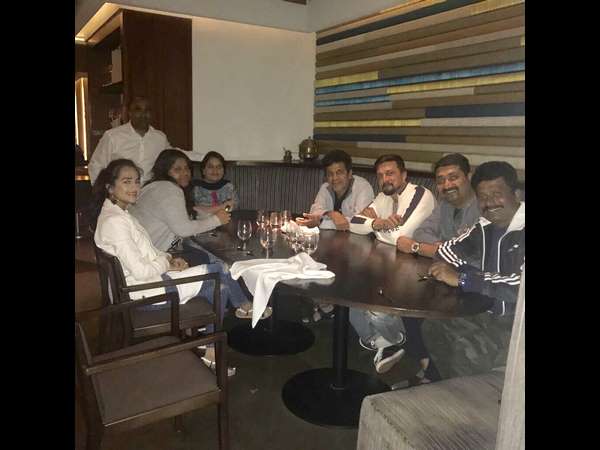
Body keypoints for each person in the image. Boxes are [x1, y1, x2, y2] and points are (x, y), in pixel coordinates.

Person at [91, 159, 252, 374]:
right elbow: (141, 271)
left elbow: (147, 250)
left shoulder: (118, 214)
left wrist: (168, 259)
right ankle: (234, 316)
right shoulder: (115, 222)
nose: (135, 187)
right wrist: (165, 263)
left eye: (137, 181)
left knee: (219, 285)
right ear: (110, 187)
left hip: (145, 285)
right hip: (143, 294)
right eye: (127, 182)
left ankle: (210, 343)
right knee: (218, 272)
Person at [390, 153, 481, 386]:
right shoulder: (444, 206)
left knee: (426, 310)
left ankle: (432, 376)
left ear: (468, 176)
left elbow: (470, 256)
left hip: (474, 283)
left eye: (453, 177)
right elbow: (421, 232)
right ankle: (427, 368)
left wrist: (423, 248)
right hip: (444, 274)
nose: (446, 185)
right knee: (405, 296)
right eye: (441, 180)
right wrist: (442, 248)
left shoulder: (483, 206)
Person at [348, 154, 436, 375]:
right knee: (351, 298)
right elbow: (353, 224)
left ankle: (394, 338)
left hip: (421, 269)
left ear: (404, 175)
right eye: (380, 175)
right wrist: (378, 223)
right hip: (389, 264)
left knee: (376, 311)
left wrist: (373, 226)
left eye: (390, 173)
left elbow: (401, 236)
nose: (384, 179)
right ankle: (387, 342)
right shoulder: (383, 197)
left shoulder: (420, 194)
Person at [429, 160, 525, 316]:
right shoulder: (484, 226)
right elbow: (445, 251)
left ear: (516, 194)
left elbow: (520, 287)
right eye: (482, 197)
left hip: (514, 324)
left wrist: (464, 279)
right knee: (428, 320)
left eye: (496, 194)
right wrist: (469, 275)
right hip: (482, 311)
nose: (489, 203)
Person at [88, 97, 201, 185]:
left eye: (147, 110)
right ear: (129, 112)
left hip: (149, 192)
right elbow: (96, 165)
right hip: (121, 192)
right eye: (138, 109)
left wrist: (204, 157)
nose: (143, 114)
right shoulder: (113, 136)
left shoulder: (159, 138)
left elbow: (175, 154)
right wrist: (103, 193)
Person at [296, 149, 374, 231]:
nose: (334, 178)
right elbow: (314, 212)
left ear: (349, 174)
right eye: (330, 174)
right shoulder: (325, 187)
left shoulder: (363, 188)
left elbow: (360, 222)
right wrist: (331, 213)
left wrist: (321, 222)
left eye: (339, 173)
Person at [192, 151, 239, 216]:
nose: (215, 170)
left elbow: (233, 206)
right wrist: (222, 207)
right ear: (203, 171)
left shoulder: (229, 187)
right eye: (210, 167)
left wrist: (224, 209)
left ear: (224, 170)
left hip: (226, 219)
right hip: (203, 221)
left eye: (219, 167)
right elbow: (197, 210)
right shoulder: (196, 188)